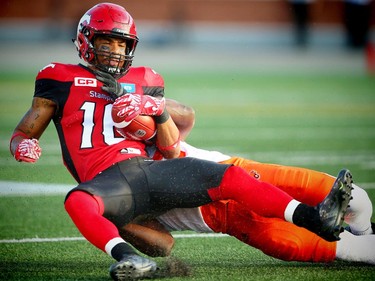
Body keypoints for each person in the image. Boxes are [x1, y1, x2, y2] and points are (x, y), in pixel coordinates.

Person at [9, 3, 353, 280]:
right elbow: (25, 130)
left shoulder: (144, 79)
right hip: (109, 184)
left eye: (121, 43)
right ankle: (128, 261)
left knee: (232, 176)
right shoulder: (57, 76)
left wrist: (154, 108)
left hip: (151, 169)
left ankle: (313, 217)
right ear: (88, 41)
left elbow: (174, 143)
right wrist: (21, 144)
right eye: (106, 42)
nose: (115, 51)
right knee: (77, 201)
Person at [120, 140, 375, 265]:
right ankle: (363, 237)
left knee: (358, 199)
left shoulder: (132, 124)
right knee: (353, 250)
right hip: (226, 217)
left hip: (234, 173)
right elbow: (164, 246)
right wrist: (122, 222)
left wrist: (156, 109)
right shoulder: (113, 195)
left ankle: (363, 227)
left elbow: (185, 117)